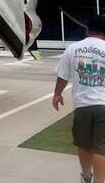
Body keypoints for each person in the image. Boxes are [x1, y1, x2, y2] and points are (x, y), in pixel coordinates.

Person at [54, 14, 105, 183]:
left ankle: (86, 177)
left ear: (87, 30)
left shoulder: (73, 48)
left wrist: (57, 94)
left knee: (84, 144)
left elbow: (63, 75)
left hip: (82, 105)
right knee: (101, 148)